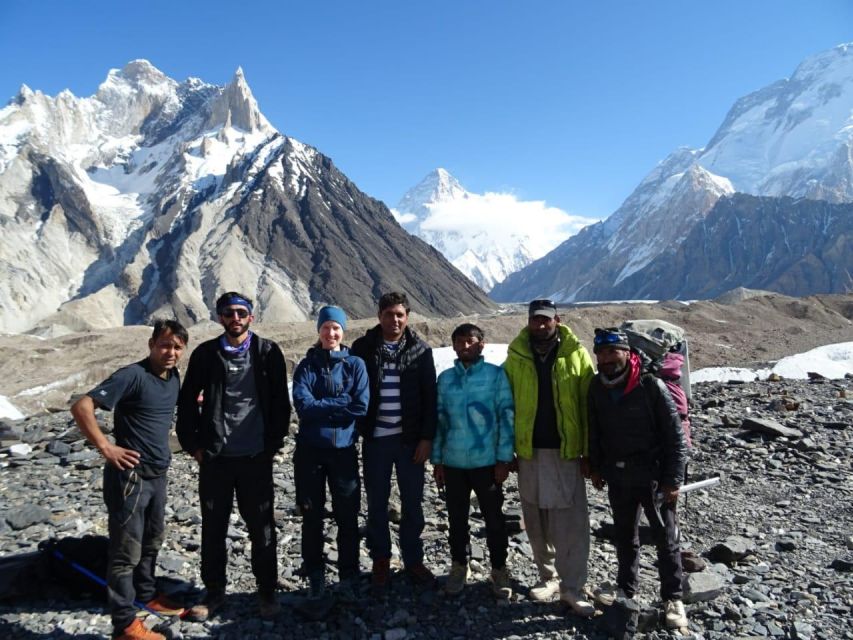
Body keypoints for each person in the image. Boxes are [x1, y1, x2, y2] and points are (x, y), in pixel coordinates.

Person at [71, 319, 189, 640]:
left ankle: (147, 595)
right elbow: (81, 405)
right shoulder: (132, 375)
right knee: (126, 553)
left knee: (152, 541)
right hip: (131, 478)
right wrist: (106, 447)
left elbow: (161, 411)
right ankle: (124, 624)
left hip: (158, 475)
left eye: (177, 347)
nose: (171, 352)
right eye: (165, 345)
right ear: (151, 344)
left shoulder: (172, 377)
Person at [176, 292, 291, 621]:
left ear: (251, 317)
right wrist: (193, 445)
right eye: (229, 313)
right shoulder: (205, 354)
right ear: (220, 317)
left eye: (242, 312)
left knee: (262, 528)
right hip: (216, 458)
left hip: (255, 456)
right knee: (213, 528)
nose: (236, 318)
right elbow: (186, 403)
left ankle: (266, 592)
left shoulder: (268, 352)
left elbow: (280, 403)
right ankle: (214, 592)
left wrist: (272, 445)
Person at [587, 328, 688, 630]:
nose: (605, 359)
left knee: (665, 537)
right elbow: (595, 431)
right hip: (618, 475)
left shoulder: (650, 386)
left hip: (654, 476)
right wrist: (595, 466)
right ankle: (626, 590)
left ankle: (673, 597)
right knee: (625, 537)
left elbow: (675, 436)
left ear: (627, 352)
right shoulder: (596, 387)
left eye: (611, 352)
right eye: (601, 353)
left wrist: (673, 478)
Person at [502, 299, 596, 616]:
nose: (540, 325)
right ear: (528, 321)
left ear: (557, 319)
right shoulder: (515, 358)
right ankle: (549, 577)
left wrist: (588, 451)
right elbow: (506, 405)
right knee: (536, 517)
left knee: (570, 521)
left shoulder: (576, 354)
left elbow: (588, 405)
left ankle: (573, 586)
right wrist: (507, 450)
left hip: (565, 450)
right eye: (535, 320)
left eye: (545, 320)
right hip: (529, 450)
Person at [350, 292, 438, 593]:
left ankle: (413, 558)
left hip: (409, 441)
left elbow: (430, 398)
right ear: (379, 316)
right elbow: (353, 390)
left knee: (413, 502)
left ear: (408, 317)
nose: (395, 320)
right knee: (376, 502)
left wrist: (426, 438)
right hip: (376, 440)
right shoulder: (362, 348)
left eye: (400, 314)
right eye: (389, 314)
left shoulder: (421, 351)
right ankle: (381, 558)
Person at [291, 306, 369, 606]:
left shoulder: (355, 365)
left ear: (343, 331)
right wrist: (339, 402)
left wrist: (323, 403)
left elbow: (360, 405)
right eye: (326, 328)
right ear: (319, 331)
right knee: (311, 515)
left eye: (336, 328)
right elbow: (303, 406)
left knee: (347, 516)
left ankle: (349, 574)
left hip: (344, 452)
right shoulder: (306, 366)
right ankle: (315, 573)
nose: (331, 333)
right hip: (310, 452)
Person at [432, 323, 515, 598]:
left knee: (494, 519)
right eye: (459, 341)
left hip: (487, 462)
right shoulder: (445, 379)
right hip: (454, 462)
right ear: (453, 345)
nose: (465, 346)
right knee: (456, 519)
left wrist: (504, 458)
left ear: (482, 344)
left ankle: (499, 568)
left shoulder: (496, 376)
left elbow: (506, 416)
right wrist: (437, 460)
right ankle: (459, 566)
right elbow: (440, 421)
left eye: (470, 341)